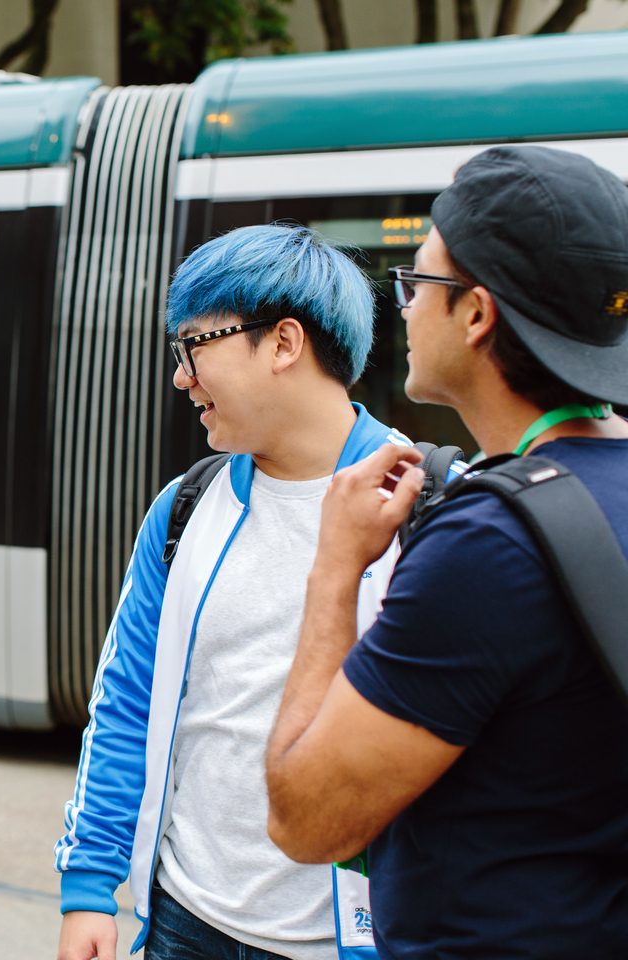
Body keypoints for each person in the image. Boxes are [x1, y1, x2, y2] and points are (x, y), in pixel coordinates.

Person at [265, 145, 628, 958]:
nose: (403, 308)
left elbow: (305, 817)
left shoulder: (490, 544)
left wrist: (335, 566)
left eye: (416, 284)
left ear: (476, 315)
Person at [57, 224, 435, 960]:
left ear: (283, 343)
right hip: (182, 920)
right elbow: (126, 703)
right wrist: (88, 885)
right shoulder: (185, 509)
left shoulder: (421, 507)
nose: (181, 376)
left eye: (196, 345)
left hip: (350, 940)